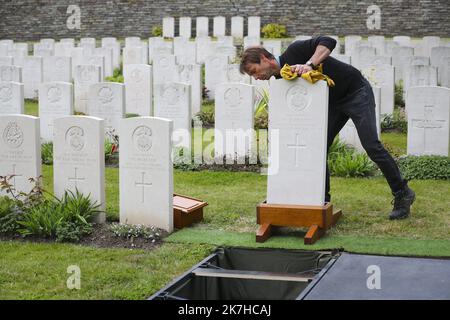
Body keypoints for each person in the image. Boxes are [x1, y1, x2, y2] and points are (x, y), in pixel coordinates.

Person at [239, 36, 415, 220]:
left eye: (254, 71)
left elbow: (329, 41)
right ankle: (321, 200)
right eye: (252, 76)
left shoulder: (295, 51)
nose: (256, 78)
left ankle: (402, 192)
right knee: (318, 148)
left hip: (355, 92)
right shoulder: (279, 78)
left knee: (371, 144)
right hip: (331, 104)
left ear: (264, 58)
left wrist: (310, 64)